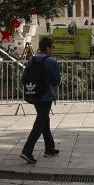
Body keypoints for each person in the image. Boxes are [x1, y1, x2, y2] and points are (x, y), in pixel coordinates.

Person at [20, 36, 61, 164]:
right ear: (48, 48)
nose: (53, 49)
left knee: (44, 120)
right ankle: (27, 150)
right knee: (40, 122)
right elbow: (56, 81)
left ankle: (49, 147)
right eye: (52, 47)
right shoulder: (51, 61)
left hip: (34, 94)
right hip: (46, 95)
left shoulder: (32, 59)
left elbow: (24, 77)